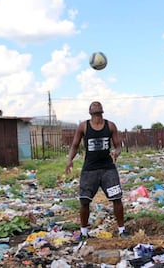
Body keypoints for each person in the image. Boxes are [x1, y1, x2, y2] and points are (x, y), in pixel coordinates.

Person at [65, 101, 129, 241]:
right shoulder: (84, 126)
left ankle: (122, 231)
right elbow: (75, 146)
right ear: (90, 112)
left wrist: (116, 153)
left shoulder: (110, 125)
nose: (96, 106)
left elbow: (118, 146)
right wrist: (70, 160)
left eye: (98, 106)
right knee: (84, 201)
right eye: (94, 106)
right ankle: (83, 233)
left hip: (108, 169)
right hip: (90, 170)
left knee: (116, 198)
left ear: (102, 110)